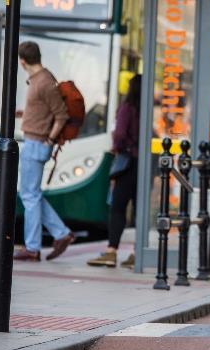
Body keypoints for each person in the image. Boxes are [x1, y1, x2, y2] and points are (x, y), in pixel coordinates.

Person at [13, 41, 75, 261]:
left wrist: (49, 139)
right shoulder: (41, 80)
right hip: (35, 141)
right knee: (32, 194)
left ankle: (32, 248)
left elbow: (61, 115)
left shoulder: (44, 83)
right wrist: (25, 113)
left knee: (28, 196)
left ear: (22, 62)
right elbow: (45, 110)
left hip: (37, 143)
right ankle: (61, 233)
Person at [87, 75, 142, 268]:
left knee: (118, 207)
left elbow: (119, 134)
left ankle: (111, 252)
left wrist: (119, 147)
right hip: (143, 164)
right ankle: (138, 252)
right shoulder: (146, 110)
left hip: (126, 162)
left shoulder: (127, 108)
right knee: (139, 210)